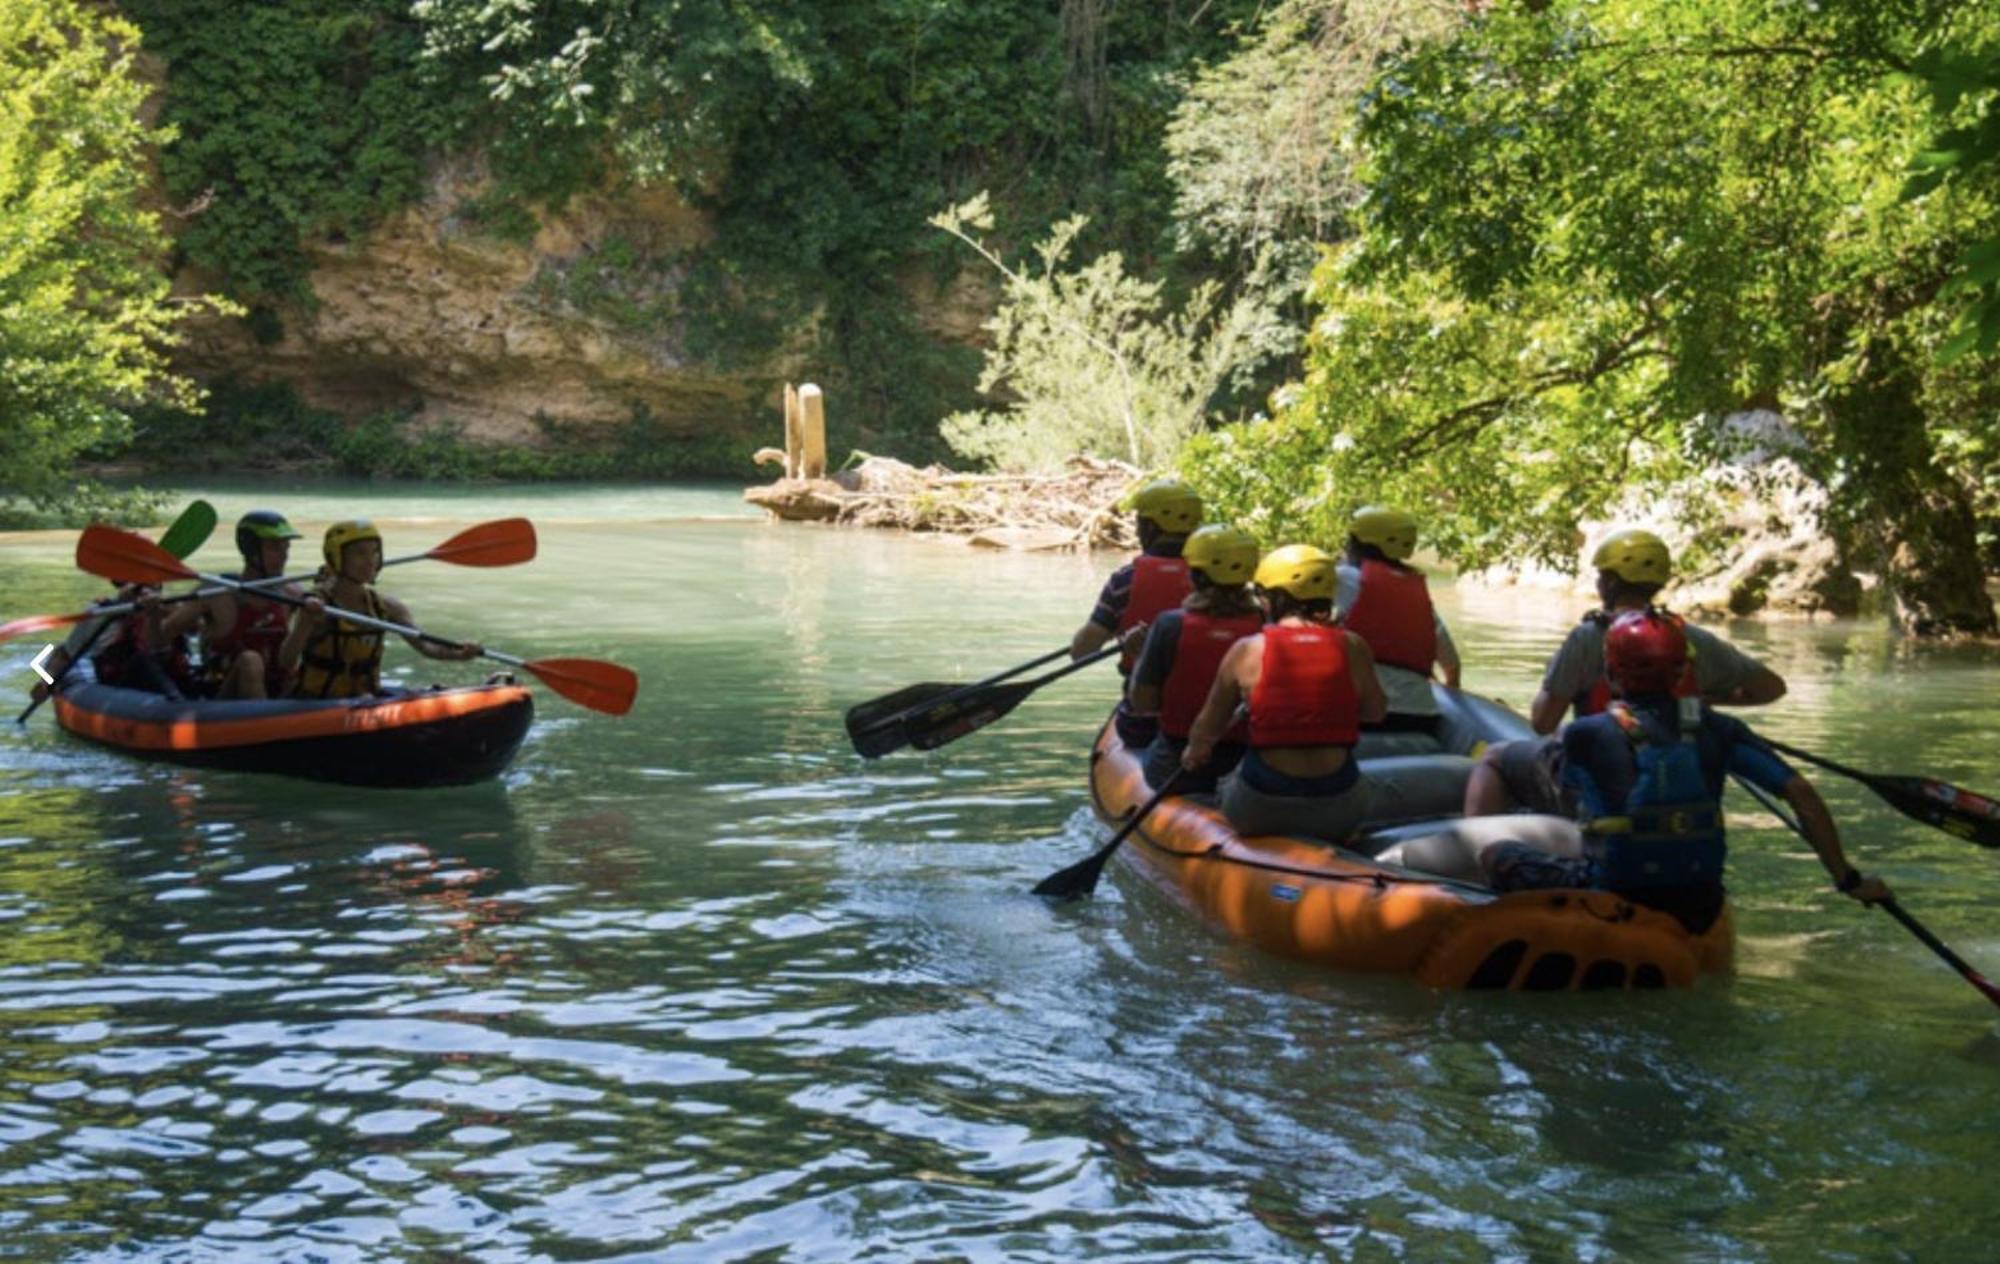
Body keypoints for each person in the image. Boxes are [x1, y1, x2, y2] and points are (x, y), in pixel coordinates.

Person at [1387, 609, 1888, 934]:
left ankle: (1496, 921)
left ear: (1610, 673)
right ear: (1683, 671)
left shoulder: (1584, 735)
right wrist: (1846, 878)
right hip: (1699, 907)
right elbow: (1799, 792)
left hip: (1612, 894)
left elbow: (1553, 789)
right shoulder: (1720, 730)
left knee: (1497, 847)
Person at [1465, 527, 1788, 817]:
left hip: (1597, 784)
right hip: (1677, 788)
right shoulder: (1691, 638)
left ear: (1611, 582)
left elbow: (1543, 722)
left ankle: (1481, 864)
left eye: (1602, 575)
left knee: (1494, 757)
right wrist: (1697, 698)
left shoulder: (1589, 637)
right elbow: (1770, 688)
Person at [1183, 544, 1389, 843]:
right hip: (1339, 804)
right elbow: (1375, 712)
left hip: (1262, 805)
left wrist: (1193, 753)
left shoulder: (1247, 650)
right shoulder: (1354, 646)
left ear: (1272, 599)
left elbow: (1206, 732)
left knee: (1226, 782)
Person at [1125, 524, 1264, 792]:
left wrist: (1139, 656)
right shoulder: (1266, 625)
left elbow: (1143, 703)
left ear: (1195, 575)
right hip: (1245, 763)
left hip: (1176, 764)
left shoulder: (1169, 625)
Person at [279, 520, 481, 699]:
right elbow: (286, 661)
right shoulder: (316, 604)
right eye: (360, 553)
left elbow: (427, 647)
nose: (370, 560)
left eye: (374, 551)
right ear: (337, 558)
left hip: (365, 698)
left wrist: (461, 653)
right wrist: (304, 622)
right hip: (317, 703)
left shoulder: (388, 607)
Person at [1070, 477, 1203, 746]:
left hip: (1145, 720)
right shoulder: (1218, 582)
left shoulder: (1125, 581)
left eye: (1140, 522)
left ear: (1150, 527)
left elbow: (1081, 652)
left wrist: (1113, 630)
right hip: (1209, 712)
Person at [1334, 506, 1461, 735]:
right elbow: (1451, 665)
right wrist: (1453, 696)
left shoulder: (1345, 579)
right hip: (1422, 716)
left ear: (1358, 543)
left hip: (1366, 716)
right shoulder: (1416, 592)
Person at [156, 510, 304, 699]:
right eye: (275, 547)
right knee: (250, 661)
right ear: (251, 550)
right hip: (224, 696)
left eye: (286, 547)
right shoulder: (216, 592)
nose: (284, 556)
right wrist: (154, 612)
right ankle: (265, 723)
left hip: (276, 689)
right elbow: (164, 636)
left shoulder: (292, 592)